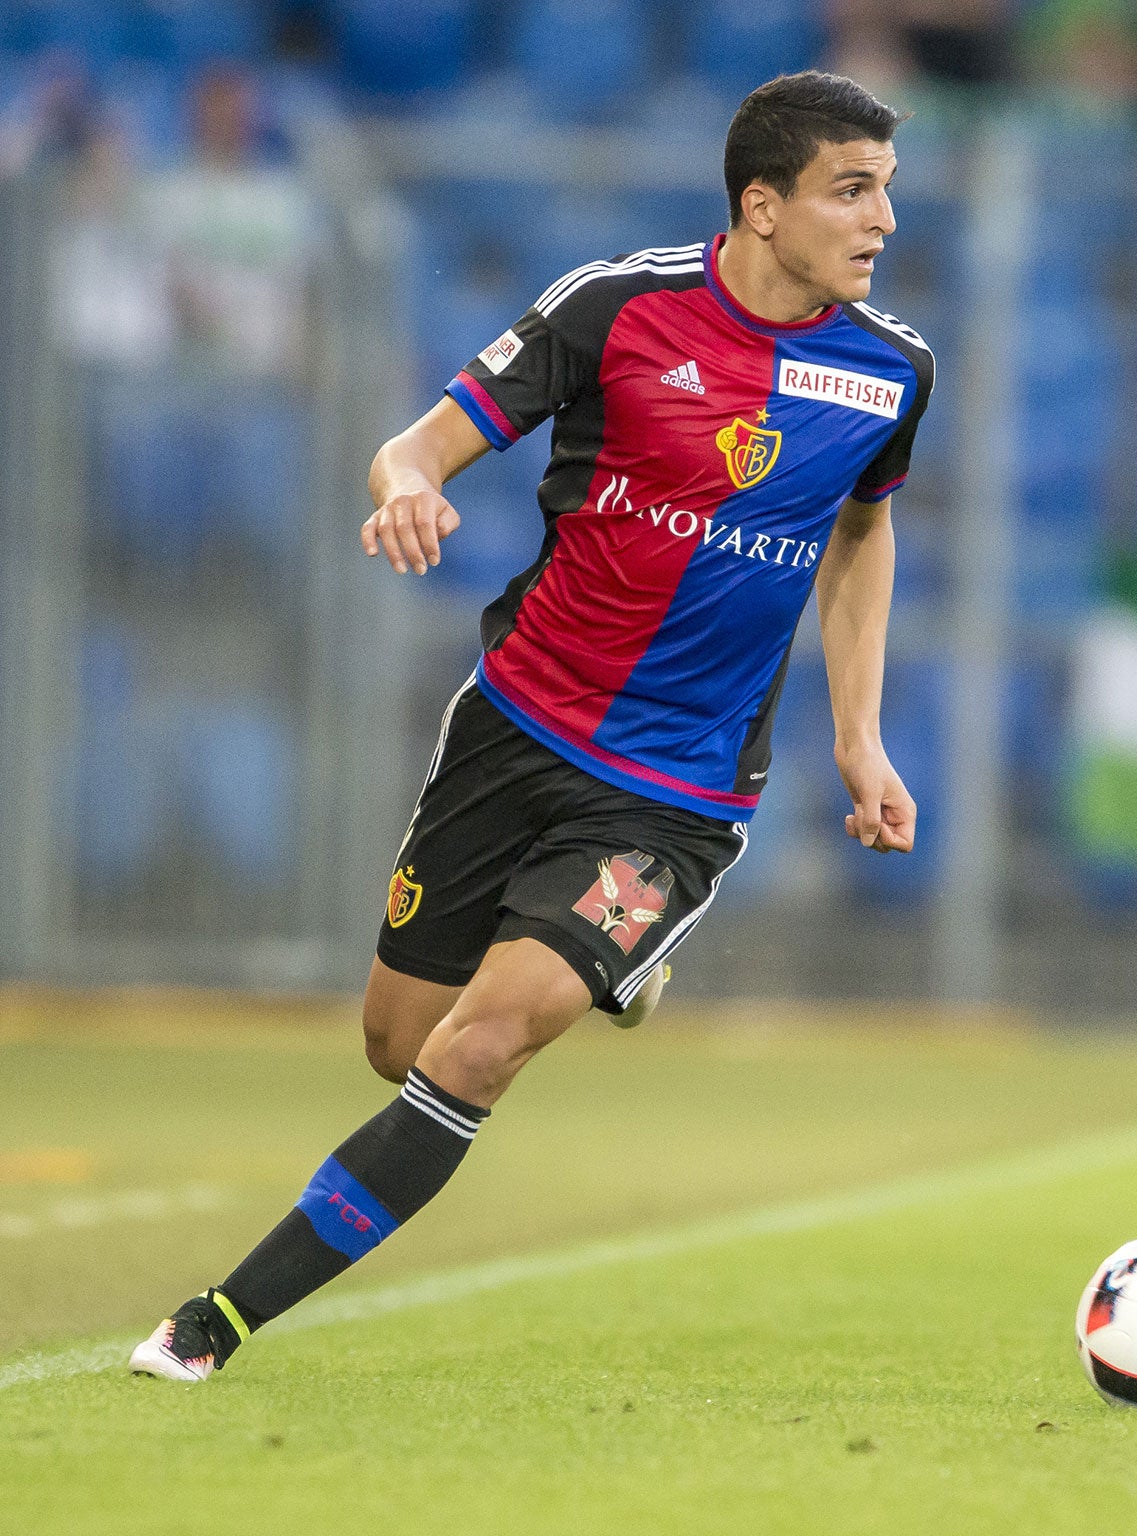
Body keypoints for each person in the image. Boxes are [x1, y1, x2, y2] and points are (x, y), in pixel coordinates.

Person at [129, 70, 933, 1381]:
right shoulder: (614, 310)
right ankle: (628, 969)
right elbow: (415, 448)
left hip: (675, 794)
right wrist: (404, 492)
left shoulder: (891, 372)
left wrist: (860, 735)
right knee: (398, 1044)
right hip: (515, 726)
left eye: (887, 191)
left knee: (484, 1043)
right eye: (853, 191)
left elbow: (863, 528)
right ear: (763, 205)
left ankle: (215, 1322)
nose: (882, 220)